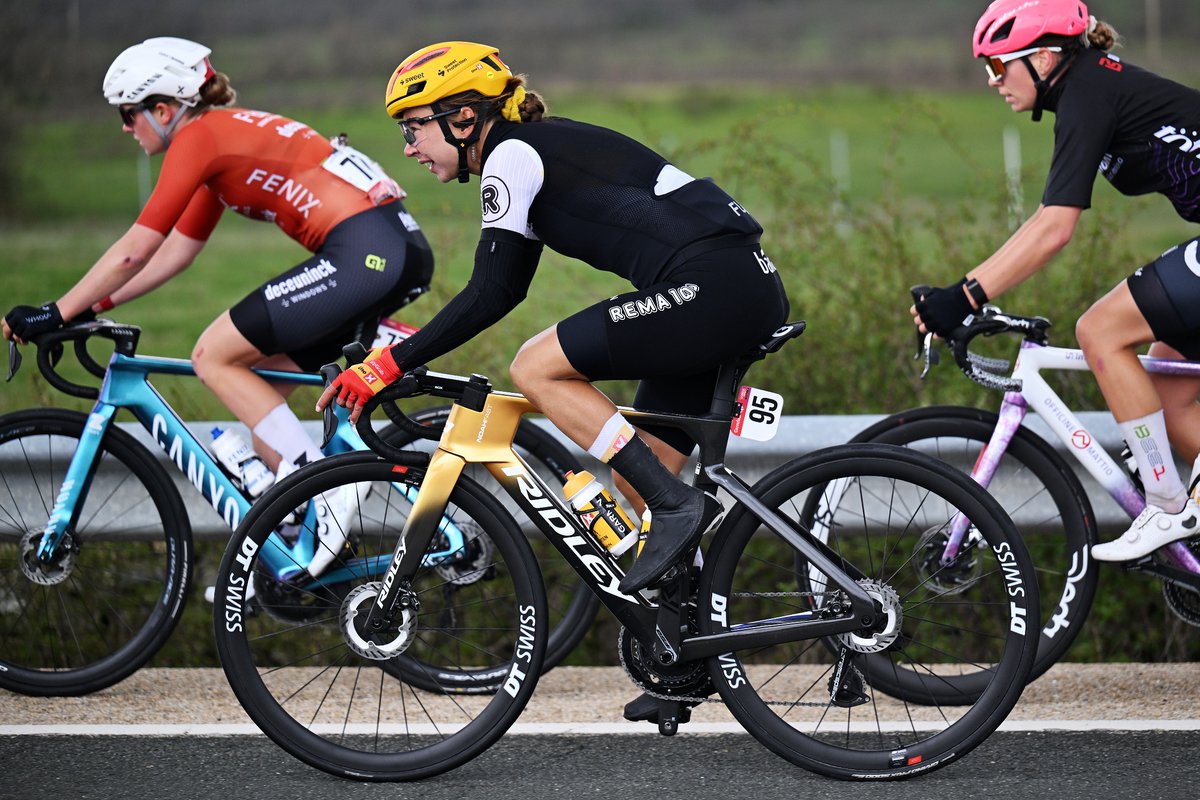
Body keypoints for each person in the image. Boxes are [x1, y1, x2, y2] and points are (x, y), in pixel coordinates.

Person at [318, 39, 788, 651]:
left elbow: (488, 292)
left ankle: (680, 506)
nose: (408, 148)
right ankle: (685, 656)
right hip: (732, 284)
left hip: (712, 287)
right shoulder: (532, 152)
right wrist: (401, 359)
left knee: (536, 367)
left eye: (414, 128)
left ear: (464, 118)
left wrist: (387, 363)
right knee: (635, 490)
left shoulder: (512, 154)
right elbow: (507, 285)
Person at [2, 37, 435, 577]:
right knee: (260, 393)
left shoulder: (200, 137)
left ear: (162, 109)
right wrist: (96, 305)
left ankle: (317, 487)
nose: (124, 127)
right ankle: (293, 544)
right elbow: (175, 254)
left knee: (212, 355)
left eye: (127, 114)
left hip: (367, 252)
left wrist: (58, 311)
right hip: (391, 248)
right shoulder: (221, 141)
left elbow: (136, 248)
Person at [912, 0, 1200, 562]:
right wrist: (965, 289)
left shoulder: (1090, 91)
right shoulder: (1090, 88)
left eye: (998, 66)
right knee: (1169, 390)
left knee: (1101, 331)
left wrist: (964, 296)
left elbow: (1054, 230)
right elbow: (1045, 219)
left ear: (1043, 58)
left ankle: (1167, 506)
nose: (992, 82)